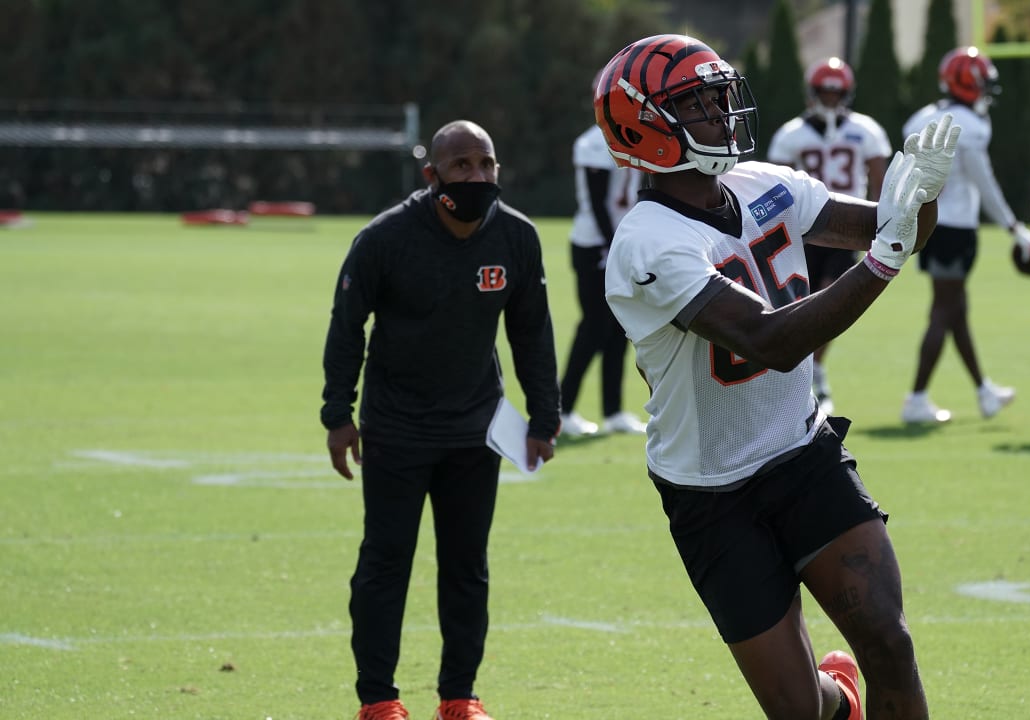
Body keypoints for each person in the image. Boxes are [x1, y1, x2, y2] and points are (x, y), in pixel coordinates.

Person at [596, 34, 961, 719]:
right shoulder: (647, 240)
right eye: (697, 101)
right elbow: (769, 340)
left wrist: (924, 196)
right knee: (800, 710)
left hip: (802, 455)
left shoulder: (766, 184)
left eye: (715, 93)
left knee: (889, 643)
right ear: (642, 123)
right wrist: (884, 258)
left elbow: (892, 229)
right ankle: (837, 699)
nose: (720, 108)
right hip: (711, 492)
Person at [320, 119, 560, 720]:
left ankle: (459, 696)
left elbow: (531, 331)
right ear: (432, 176)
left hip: (475, 431)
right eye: (462, 166)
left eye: (487, 164)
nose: (478, 176)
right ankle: (377, 700)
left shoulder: (517, 238)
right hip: (396, 429)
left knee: (466, 567)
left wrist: (544, 416)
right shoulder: (385, 239)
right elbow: (347, 325)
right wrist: (337, 414)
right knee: (385, 563)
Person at [898, 46, 1030, 425]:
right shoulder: (972, 127)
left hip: (928, 222)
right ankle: (916, 398)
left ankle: (984, 391)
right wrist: (1014, 228)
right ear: (969, 83)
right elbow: (986, 184)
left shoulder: (921, 117)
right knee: (944, 311)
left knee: (956, 312)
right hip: (956, 226)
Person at [767, 57, 892, 415]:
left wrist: (878, 221)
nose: (832, 100)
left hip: (846, 228)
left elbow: (880, 180)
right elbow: (776, 185)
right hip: (802, 229)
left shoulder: (866, 130)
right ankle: (803, 370)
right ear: (813, 92)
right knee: (795, 300)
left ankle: (814, 369)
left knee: (832, 297)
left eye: (837, 94)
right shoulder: (792, 133)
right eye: (826, 93)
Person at [558, 124, 646, 437]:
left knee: (619, 328)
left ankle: (613, 411)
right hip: (594, 244)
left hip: (619, 243)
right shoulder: (593, 142)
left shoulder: (640, 133)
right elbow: (597, 203)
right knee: (593, 327)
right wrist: (613, 245)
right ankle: (561, 409)